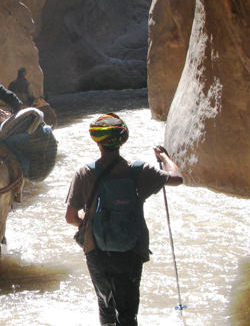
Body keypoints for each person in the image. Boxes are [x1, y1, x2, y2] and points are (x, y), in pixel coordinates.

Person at [65, 113, 183, 326]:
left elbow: (71, 217)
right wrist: (164, 157)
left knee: (106, 307)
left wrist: (89, 220)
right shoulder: (139, 171)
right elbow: (177, 178)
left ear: (97, 141)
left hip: (96, 251)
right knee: (128, 313)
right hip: (131, 250)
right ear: (123, 140)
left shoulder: (84, 173)